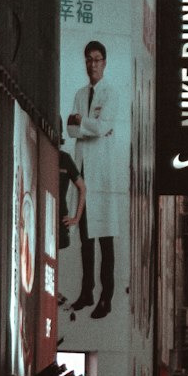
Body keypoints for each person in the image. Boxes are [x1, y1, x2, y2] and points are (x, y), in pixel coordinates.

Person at [65, 39, 117, 319]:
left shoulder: (111, 93)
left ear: (104, 63)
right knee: (86, 237)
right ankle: (87, 292)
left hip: (104, 176)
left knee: (105, 240)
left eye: (97, 59)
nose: (92, 64)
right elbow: (72, 130)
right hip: (83, 171)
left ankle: (106, 297)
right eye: (88, 59)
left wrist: (84, 124)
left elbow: (103, 126)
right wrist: (88, 127)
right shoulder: (79, 93)